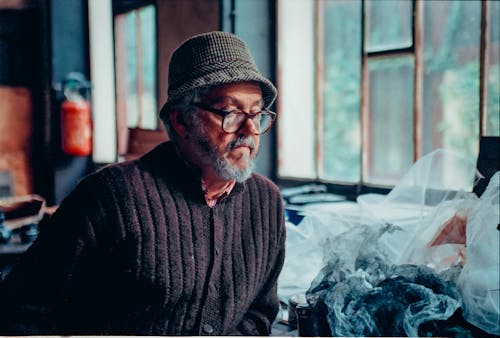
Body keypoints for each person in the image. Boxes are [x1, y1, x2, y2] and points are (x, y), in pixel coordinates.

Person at [0, 31, 285, 336]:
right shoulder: (110, 195)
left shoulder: (266, 201)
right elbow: (20, 311)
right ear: (181, 121)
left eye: (257, 113)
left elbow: (259, 311)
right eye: (230, 112)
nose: (250, 129)